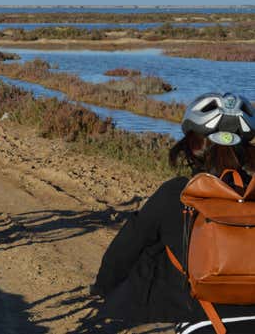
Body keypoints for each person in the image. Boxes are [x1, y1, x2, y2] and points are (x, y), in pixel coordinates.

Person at [92, 92, 255, 334]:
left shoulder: (176, 194)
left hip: (201, 323)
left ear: (193, 147)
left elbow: (126, 249)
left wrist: (103, 289)